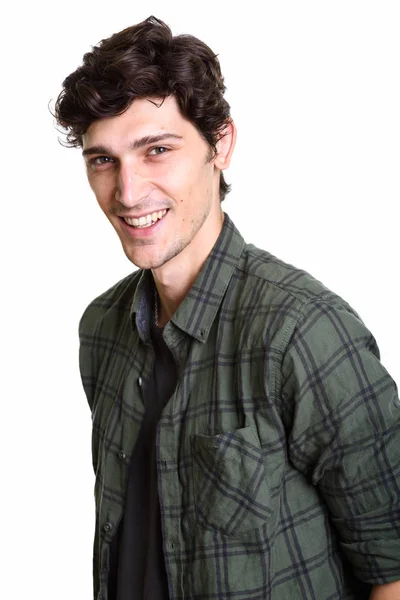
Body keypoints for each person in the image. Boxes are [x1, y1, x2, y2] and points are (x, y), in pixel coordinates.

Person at [54, 15, 400, 600]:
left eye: (157, 150)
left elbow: (392, 570)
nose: (129, 192)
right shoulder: (102, 329)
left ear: (221, 145)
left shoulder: (305, 332)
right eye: (103, 160)